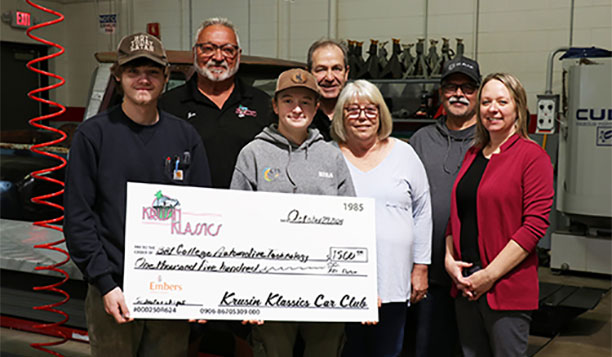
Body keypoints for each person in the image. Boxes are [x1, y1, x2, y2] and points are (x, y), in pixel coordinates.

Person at [64, 33, 211, 356]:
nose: (143, 79)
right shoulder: (94, 135)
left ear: (166, 76)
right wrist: (104, 282)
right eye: (133, 71)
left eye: (153, 71)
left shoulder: (185, 136)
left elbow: (204, 214)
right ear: (118, 76)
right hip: (115, 290)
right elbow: (79, 217)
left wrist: (199, 288)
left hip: (171, 288)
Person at [230, 68, 355, 357]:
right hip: (269, 286)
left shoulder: (332, 155)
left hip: (325, 286)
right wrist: (246, 296)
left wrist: (355, 286)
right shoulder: (253, 154)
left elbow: (351, 224)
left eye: (306, 102)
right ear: (274, 106)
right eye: (288, 100)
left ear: (315, 108)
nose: (297, 108)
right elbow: (236, 226)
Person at [444, 73, 554, 357]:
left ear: (518, 107)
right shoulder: (473, 153)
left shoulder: (532, 157)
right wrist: (449, 260)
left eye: (502, 102)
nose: (492, 109)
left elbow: (534, 226)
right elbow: (458, 213)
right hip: (465, 283)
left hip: (505, 289)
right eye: (486, 102)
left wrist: (488, 276)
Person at [331, 80, 432, 357]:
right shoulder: (328, 155)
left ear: (381, 113)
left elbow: (423, 211)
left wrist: (421, 267)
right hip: (341, 281)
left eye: (370, 109)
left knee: (389, 350)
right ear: (341, 115)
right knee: (347, 350)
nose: (362, 116)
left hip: (394, 278)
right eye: (353, 110)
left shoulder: (404, 153)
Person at [407, 55, 481, 356]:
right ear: (441, 92)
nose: (458, 94)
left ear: (477, 93)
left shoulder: (488, 140)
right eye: (451, 86)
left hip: (476, 277)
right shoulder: (421, 140)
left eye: (467, 87)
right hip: (430, 276)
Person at [160, 17, 273, 189]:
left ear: (238, 55)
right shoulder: (168, 105)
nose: (218, 57)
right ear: (195, 52)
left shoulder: (263, 105)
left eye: (228, 50)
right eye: (208, 49)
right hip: (189, 209)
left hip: (247, 210)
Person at [307, 39, 350, 141]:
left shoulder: (358, 114)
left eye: (336, 69)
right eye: (321, 69)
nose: (329, 78)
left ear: (346, 73)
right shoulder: (299, 116)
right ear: (309, 73)